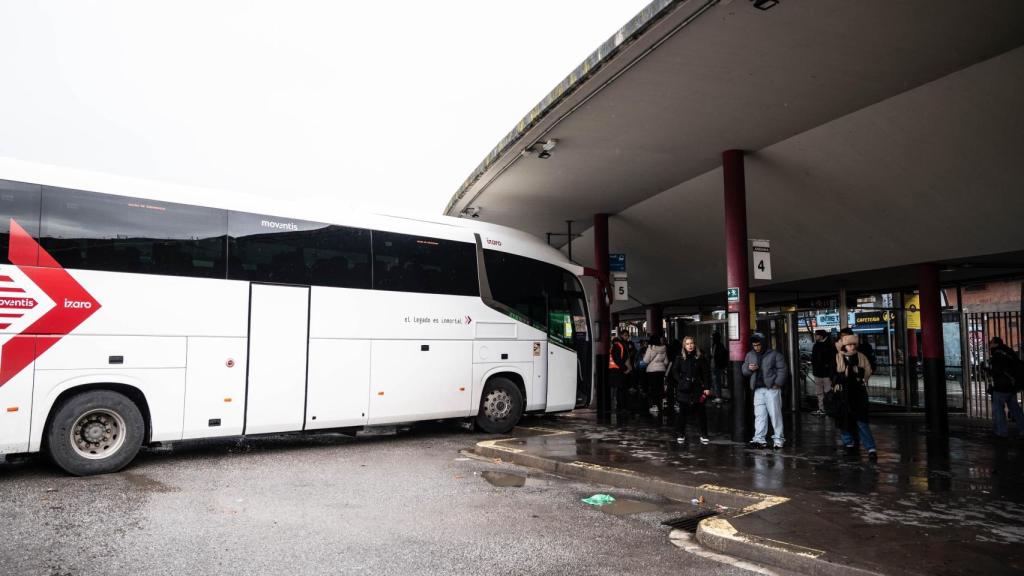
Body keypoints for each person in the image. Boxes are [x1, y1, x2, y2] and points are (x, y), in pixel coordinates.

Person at [832, 334, 878, 459]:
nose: (851, 347)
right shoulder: (838, 357)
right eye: (849, 345)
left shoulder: (861, 356)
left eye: (853, 344)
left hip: (858, 392)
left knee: (862, 421)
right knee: (844, 419)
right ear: (844, 346)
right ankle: (848, 443)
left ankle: (870, 448)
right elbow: (834, 374)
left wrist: (862, 377)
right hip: (843, 393)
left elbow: (868, 370)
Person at [742, 333, 788, 449]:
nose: (756, 347)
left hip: (771, 389)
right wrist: (749, 369)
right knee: (759, 415)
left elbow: (782, 369)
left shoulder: (774, 354)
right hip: (758, 389)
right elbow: (744, 370)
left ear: (763, 343)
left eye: (758, 345)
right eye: (754, 345)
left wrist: (777, 383)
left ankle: (778, 439)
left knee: (775, 415)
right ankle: (759, 438)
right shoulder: (750, 355)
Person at [668, 336, 711, 444]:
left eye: (691, 343)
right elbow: (674, 372)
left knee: (701, 412)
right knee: (683, 413)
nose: (690, 345)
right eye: (687, 344)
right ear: (684, 345)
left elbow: (706, 373)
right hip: (684, 389)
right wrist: (681, 381)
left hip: (697, 388)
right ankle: (680, 433)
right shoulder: (680, 357)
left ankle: (703, 434)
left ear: (694, 344)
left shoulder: (700, 357)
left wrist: (706, 387)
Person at [987, 336, 1024, 439]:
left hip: (1001, 387)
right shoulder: (1008, 352)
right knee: (1015, 410)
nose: (989, 344)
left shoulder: (997, 354)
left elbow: (997, 371)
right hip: (1012, 386)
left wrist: (988, 370)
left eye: (991, 343)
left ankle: (1001, 432)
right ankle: (1022, 429)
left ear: (995, 344)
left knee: (998, 409)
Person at [811, 330, 835, 415]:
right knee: (819, 392)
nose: (815, 337)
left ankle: (829, 409)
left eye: (816, 335)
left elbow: (832, 360)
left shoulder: (829, 345)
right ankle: (821, 409)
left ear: (821, 336)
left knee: (828, 391)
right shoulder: (817, 345)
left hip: (826, 373)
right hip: (819, 372)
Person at [643, 336, 669, 414]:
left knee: (653, 388)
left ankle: (655, 405)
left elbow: (646, 360)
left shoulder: (650, 348)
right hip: (661, 371)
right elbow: (666, 362)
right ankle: (662, 402)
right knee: (660, 387)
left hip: (651, 371)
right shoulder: (664, 348)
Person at [608, 335, 629, 412]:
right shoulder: (619, 346)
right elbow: (619, 359)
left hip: (613, 370)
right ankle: (620, 406)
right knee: (619, 388)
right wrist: (625, 368)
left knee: (614, 388)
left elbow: (616, 359)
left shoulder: (614, 347)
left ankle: (614, 404)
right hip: (617, 370)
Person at [710, 331, 728, 404]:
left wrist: (720, 365)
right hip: (715, 366)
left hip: (717, 367)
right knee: (716, 382)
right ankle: (718, 396)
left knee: (717, 382)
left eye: (714, 337)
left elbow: (720, 356)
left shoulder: (719, 346)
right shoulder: (715, 345)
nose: (713, 339)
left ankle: (718, 397)